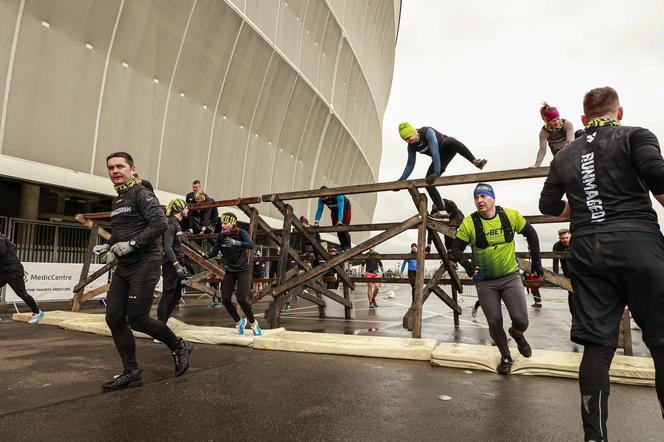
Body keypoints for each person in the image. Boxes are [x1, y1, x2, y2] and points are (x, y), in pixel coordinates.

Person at [539, 86, 664, 440]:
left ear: (582, 120)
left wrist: (580, 208)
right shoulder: (635, 135)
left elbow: (549, 206)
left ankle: (595, 437)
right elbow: (657, 176)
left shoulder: (564, 156)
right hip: (637, 242)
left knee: (597, 346)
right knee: (661, 341)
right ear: (618, 113)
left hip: (588, 249)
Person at [93, 152, 192, 392]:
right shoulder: (117, 200)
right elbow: (122, 230)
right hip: (124, 267)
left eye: (120, 166)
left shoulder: (141, 193)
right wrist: (109, 244)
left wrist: (133, 244)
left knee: (137, 318)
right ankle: (132, 372)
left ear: (132, 169)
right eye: (111, 168)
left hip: (144, 264)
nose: (115, 171)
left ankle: (178, 345)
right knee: (114, 318)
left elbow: (159, 224)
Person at [451, 183, 543, 375]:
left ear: (493, 198)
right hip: (485, 282)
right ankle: (506, 356)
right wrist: (468, 267)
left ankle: (517, 335)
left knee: (521, 319)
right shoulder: (470, 222)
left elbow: (531, 233)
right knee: (494, 322)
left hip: (510, 277)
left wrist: (537, 263)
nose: (479, 200)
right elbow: (456, 249)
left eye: (483, 196)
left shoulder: (509, 216)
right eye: (476, 198)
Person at [396, 122, 486, 226]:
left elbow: (435, 152)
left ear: (414, 132)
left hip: (447, 147)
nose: (408, 141)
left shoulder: (426, 132)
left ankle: (475, 161)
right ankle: (443, 213)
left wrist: (436, 172)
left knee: (450, 140)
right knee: (428, 182)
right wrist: (401, 180)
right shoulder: (411, 147)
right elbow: (410, 164)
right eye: (405, 140)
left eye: (408, 138)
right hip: (441, 158)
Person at [202, 212, 262, 336]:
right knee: (225, 299)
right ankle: (239, 321)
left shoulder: (241, 233)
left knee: (241, 299)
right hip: (230, 271)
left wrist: (237, 243)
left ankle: (253, 323)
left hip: (242, 270)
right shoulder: (221, 236)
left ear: (232, 223)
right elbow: (214, 252)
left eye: (225, 223)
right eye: (222, 223)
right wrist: (206, 256)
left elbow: (251, 245)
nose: (223, 225)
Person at [157, 198, 189, 325]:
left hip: (178, 262)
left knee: (176, 295)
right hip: (170, 264)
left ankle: (164, 323)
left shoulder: (177, 223)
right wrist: (177, 266)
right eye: (185, 207)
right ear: (179, 209)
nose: (188, 210)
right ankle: (160, 327)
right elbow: (167, 247)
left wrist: (181, 265)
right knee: (168, 294)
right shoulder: (170, 223)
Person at [0, 233, 44, 323]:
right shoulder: (3, 238)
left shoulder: (0, 239)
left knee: (22, 293)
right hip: (4, 271)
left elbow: (2, 251)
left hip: (12, 271)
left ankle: (38, 313)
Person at [314, 188, 351, 252]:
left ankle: (348, 247)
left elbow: (340, 209)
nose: (324, 198)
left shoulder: (338, 196)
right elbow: (319, 210)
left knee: (343, 227)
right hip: (334, 212)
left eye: (325, 197)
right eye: (322, 197)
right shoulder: (321, 199)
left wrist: (339, 221)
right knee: (336, 228)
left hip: (345, 210)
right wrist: (316, 221)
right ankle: (342, 247)